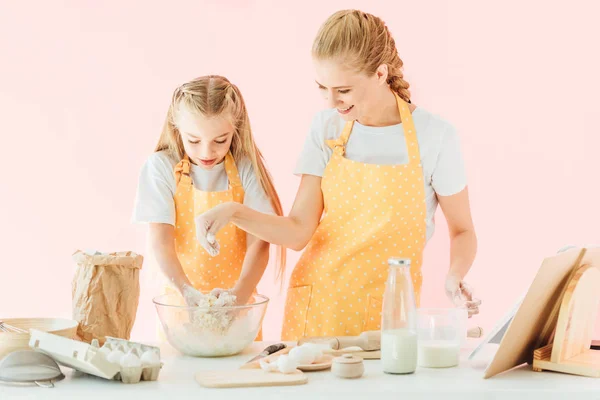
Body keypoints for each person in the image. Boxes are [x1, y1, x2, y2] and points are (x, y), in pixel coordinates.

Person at [194, 10, 480, 340]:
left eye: (343, 89)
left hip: (389, 312)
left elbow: (463, 230)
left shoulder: (435, 136)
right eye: (322, 87)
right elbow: (299, 231)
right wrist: (234, 212)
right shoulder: (325, 127)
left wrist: (454, 276)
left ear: (380, 73)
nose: (331, 102)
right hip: (317, 308)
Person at [132, 75, 286, 315]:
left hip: (239, 305)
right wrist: (187, 291)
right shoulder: (161, 167)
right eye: (193, 140)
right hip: (180, 306)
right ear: (177, 129)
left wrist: (239, 297)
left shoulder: (246, 169)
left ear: (235, 130)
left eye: (220, 140)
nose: (207, 151)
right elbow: (161, 240)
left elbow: (260, 241)